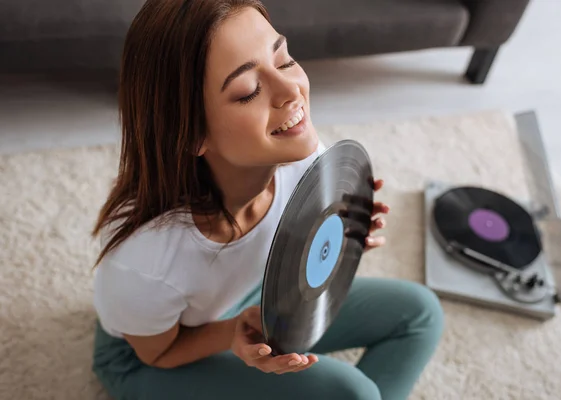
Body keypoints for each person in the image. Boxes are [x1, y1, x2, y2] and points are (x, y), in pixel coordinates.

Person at [90, 0, 444, 399]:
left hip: (254, 295)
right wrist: (231, 333)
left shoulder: (303, 158)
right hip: (144, 357)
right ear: (190, 133)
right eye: (248, 91)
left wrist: (341, 238)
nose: (290, 90)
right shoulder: (144, 259)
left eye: (284, 59)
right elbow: (160, 352)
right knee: (352, 393)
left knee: (419, 312)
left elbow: (298, 250)